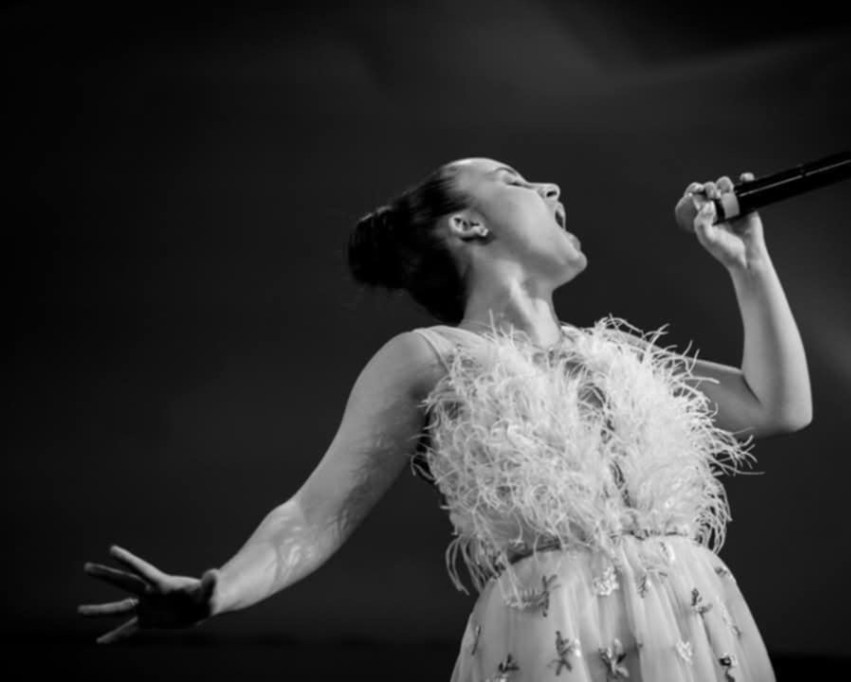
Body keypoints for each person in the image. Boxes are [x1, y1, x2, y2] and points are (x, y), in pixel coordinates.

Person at [79, 157, 812, 681]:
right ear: (468, 223)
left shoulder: (618, 353)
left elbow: (777, 405)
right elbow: (315, 513)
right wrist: (216, 591)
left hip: (690, 623)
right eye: (516, 181)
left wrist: (748, 261)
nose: (552, 188)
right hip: (553, 633)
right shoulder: (429, 357)